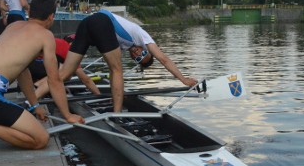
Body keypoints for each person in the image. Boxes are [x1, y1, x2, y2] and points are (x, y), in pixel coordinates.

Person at [0, 0, 85, 155]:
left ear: (30, 10)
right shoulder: (45, 36)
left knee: (31, 130)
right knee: (41, 139)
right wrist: (68, 115)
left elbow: (23, 71)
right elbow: (54, 79)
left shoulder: (13, 26)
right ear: (51, 17)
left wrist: (35, 105)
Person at [34, 9, 197, 112]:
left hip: (87, 23)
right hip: (101, 21)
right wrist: (183, 79)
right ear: (146, 49)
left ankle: (32, 100)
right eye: (142, 53)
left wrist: (114, 92)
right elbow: (163, 58)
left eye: (138, 58)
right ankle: (117, 114)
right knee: (117, 70)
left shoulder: (126, 46)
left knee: (65, 74)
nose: (137, 54)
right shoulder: (143, 37)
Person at [31, 36, 101, 96]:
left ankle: (40, 87)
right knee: (66, 70)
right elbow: (85, 79)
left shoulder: (58, 42)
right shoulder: (68, 49)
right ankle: (38, 87)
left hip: (27, 66)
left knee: (62, 70)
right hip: (33, 65)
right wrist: (98, 94)